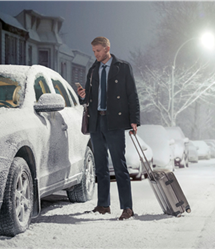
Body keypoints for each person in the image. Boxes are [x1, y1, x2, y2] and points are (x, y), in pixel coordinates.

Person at [81, 36, 141, 220]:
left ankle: (127, 207)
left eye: (98, 50)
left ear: (107, 48)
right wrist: (83, 95)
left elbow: (132, 94)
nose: (96, 54)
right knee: (100, 166)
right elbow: (89, 97)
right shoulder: (93, 69)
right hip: (96, 122)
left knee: (119, 165)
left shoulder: (122, 67)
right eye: (94, 51)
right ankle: (103, 204)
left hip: (115, 122)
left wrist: (134, 120)